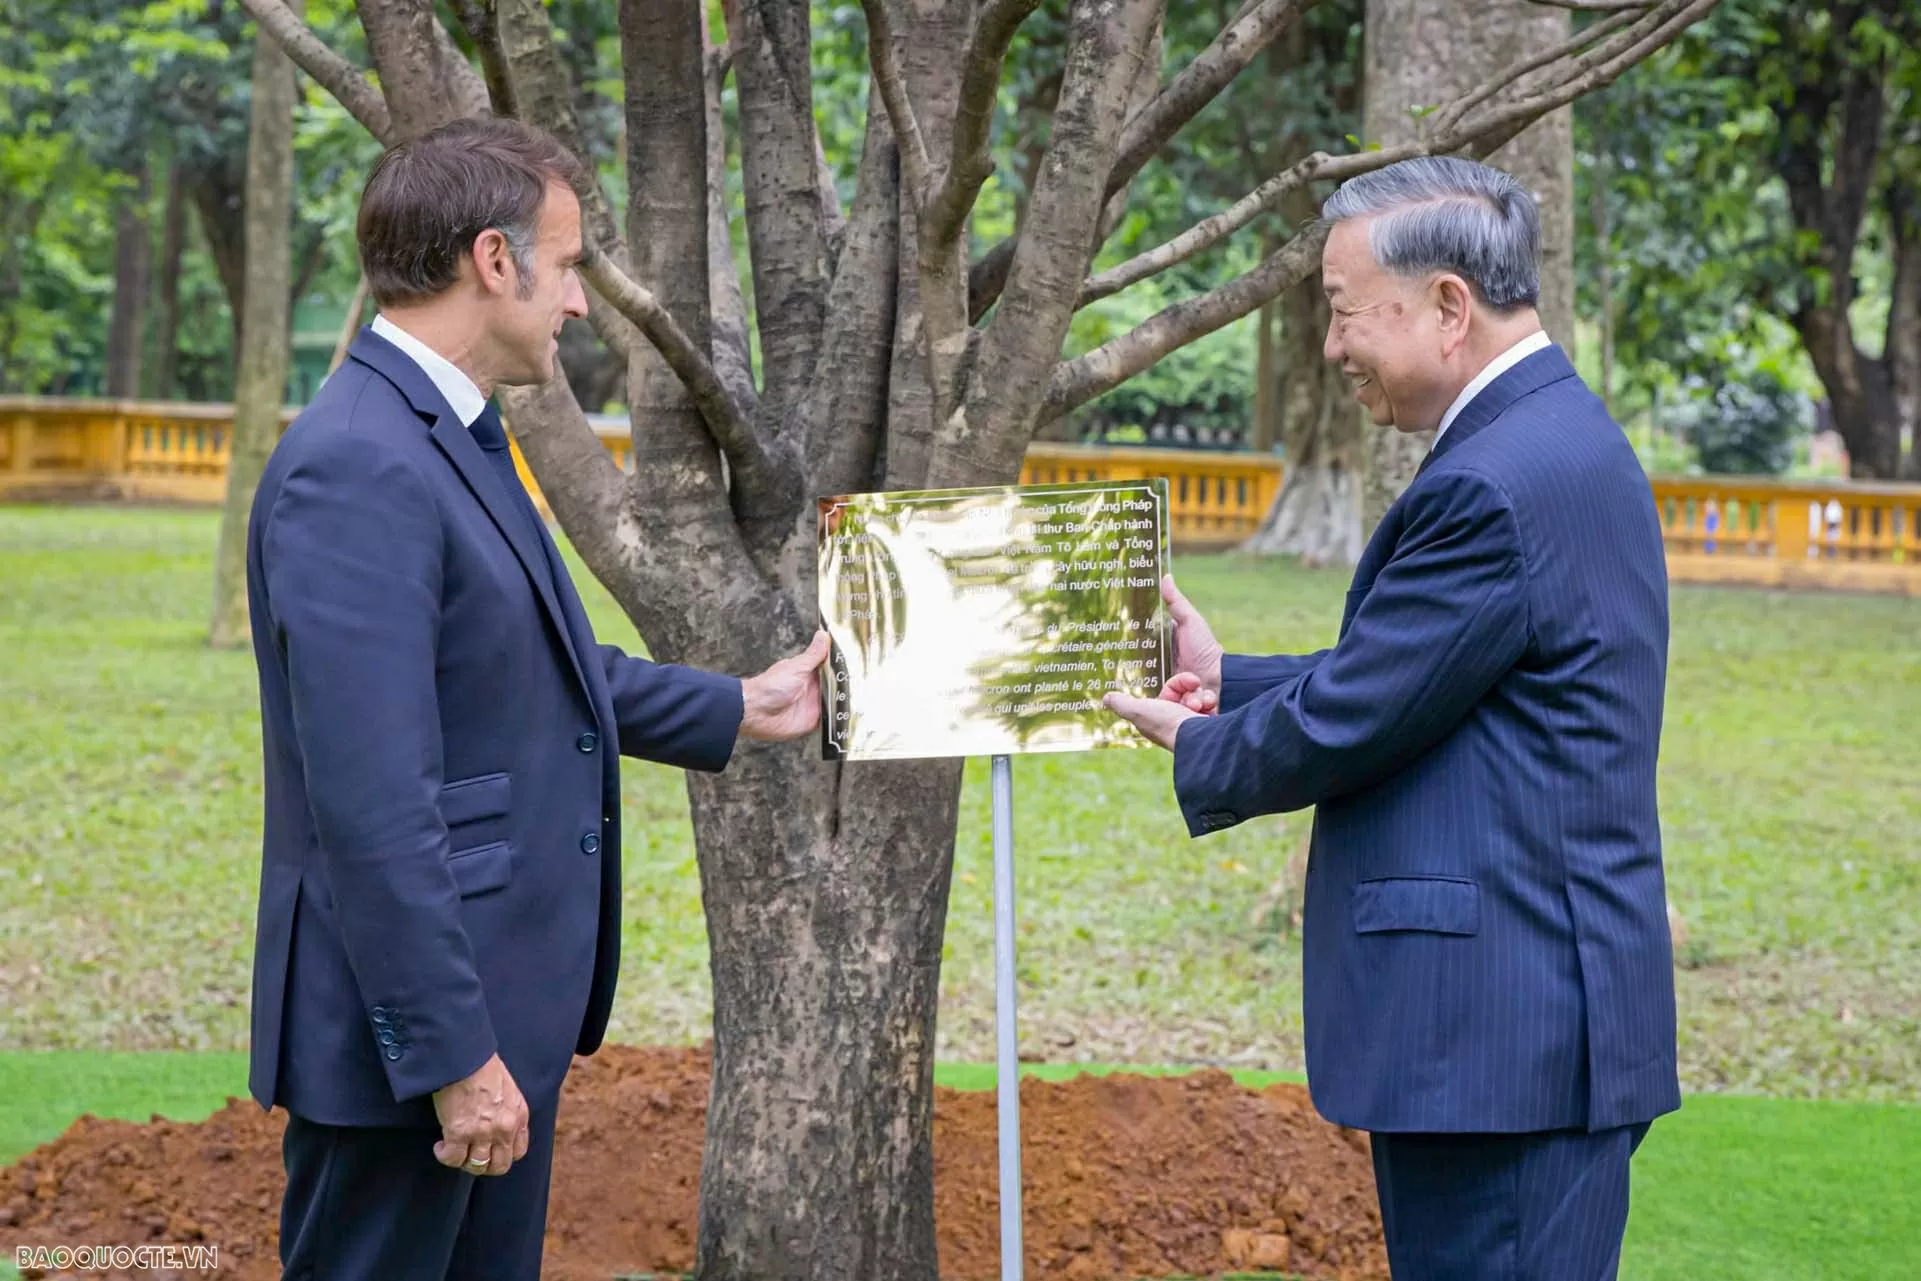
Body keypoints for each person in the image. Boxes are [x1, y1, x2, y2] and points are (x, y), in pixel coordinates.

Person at [244, 116, 827, 1280]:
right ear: (492, 261)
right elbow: (372, 805)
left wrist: (737, 707)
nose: (577, 303)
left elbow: (526, 669)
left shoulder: (452, 436)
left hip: (497, 1015)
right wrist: (454, 1057)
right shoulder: (356, 463)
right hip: (416, 1050)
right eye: (564, 267)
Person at [1106, 156, 1679, 1280]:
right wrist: (1231, 682)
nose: (1330, 348)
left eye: (1341, 311)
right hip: (1537, 1020)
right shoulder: (1555, 438)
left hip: (1505, 1038)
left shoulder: (1492, 480)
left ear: (1447, 307)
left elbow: (1362, 715)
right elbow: (1427, 679)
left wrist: (1204, 741)